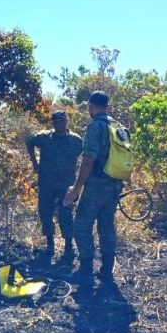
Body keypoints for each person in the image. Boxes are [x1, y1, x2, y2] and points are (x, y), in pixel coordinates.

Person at [63, 91, 121, 292]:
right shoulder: (118, 127)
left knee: (81, 224)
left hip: (96, 185)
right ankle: (106, 270)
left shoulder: (96, 127)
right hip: (114, 184)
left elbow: (88, 159)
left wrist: (77, 187)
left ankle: (86, 269)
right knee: (106, 225)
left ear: (90, 106)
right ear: (108, 105)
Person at [26, 110, 83, 261]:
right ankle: (50, 245)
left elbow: (88, 157)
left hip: (66, 185)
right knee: (45, 212)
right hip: (46, 184)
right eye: (56, 121)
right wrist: (35, 162)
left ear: (67, 121)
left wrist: (81, 181)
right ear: (53, 122)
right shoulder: (44, 137)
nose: (60, 123)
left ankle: (69, 247)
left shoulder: (76, 140)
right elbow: (29, 141)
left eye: (62, 120)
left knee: (65, 214)